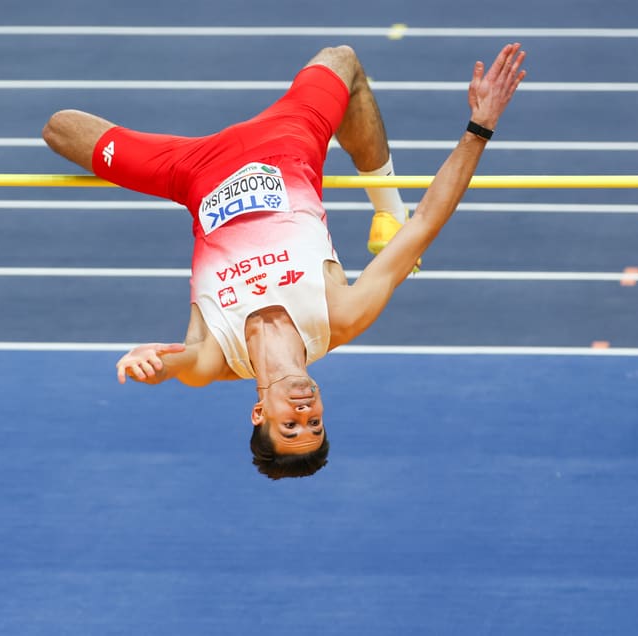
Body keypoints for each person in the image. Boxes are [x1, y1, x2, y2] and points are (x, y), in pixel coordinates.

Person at [42, 43, 526, 480]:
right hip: (287, 142)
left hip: (192, 171)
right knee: (342, 60)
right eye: (314, 422)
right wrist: (479, 129)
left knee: (59, 129)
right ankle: (385, 212)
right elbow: (425, 225)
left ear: (259, 413)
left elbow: (176, 366)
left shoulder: (214, 358)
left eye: (290, 425)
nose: (304, 411)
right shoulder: (341, 317)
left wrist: (150, 363)